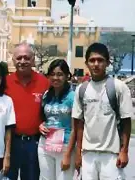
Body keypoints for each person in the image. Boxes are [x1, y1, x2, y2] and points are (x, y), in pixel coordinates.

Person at [72, 43, 132, 180]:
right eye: (92, 60)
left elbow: (126, 121)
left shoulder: (118, 87)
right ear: (86, 63)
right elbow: (79, 124)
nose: (96, 64)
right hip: (88, 154)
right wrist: (78, 152)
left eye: (100, 60)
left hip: (111, 154)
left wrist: (124, 151)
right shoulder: (82, 89)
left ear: (107, 63)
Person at [6, 43, 50, 180]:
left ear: (33, 60)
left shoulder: (44, 82)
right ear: (13, 60)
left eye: (27, 58)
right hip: (10, 142)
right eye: (19, 58)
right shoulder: (5, 82)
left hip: (34, 142)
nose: (23, 61)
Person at [38, 59, 76, 180]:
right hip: (45, 145)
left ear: (66, 76)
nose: (56, 77)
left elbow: (77, 127)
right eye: (52, 74)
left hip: (65, 146)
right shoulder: (46, 95)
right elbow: (43, 118)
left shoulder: (73, 97)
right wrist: (41, 125)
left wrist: (68, 154)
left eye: (60, 74)